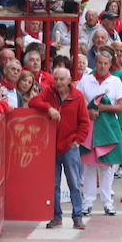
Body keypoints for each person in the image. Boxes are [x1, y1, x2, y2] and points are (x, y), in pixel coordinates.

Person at [28, 66, 93, 230]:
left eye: (61, 79)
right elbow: (33, 101)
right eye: (56, 79)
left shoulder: (77, 96)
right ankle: (56, 217)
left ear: (69, 80)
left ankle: (77, 216)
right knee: (54, 184)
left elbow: (84, 123)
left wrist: (77, 141)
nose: (58, 82)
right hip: (52, 147)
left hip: (70, 146)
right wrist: (48, 108)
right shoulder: (48, 92)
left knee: (75, 184)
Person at [78, 52, 122, 215]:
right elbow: (78, 103)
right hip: (90, 127)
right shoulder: (86, 80)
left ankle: (108, 203)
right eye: (99, 62)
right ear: (95, 63)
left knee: (107, 167)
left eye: (105, 63)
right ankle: (87, 203)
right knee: (89, 166)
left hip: (108, 127)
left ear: (110, 64)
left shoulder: (114, 81)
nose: (101, 66)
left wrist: (103, 108)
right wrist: (88, 111)